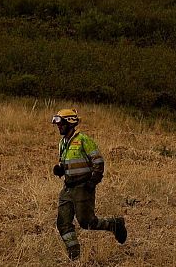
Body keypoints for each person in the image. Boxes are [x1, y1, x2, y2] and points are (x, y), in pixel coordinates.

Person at [51, 108, 127, 259]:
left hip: (83, 187)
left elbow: (98, 161)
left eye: (61, 123)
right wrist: (61, 170)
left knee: (86, 222)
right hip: (67, 188)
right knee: (62, 223)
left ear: (70, 122)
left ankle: (114, 224)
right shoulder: (62, 142)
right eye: (57, 124)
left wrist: (93, 181)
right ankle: (75, 256)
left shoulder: (84, 140)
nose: (59, 126)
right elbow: (68, 162)